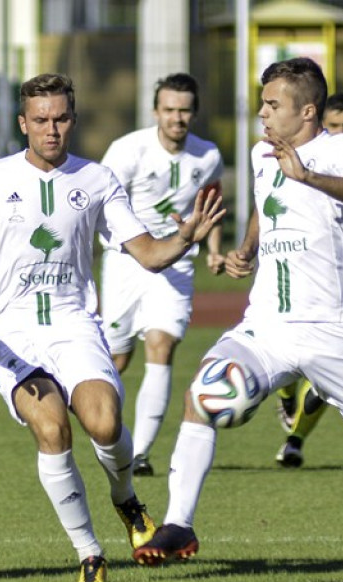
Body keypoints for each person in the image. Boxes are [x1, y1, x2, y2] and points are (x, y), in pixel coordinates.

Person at [132, 57, 343, 582]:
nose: (261, 112)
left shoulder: (335, 147)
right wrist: (246, 249)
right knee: (203, 394)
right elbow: (268, 201)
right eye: (262, 102)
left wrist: (307, 175)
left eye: (272, 104)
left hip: (330, 330)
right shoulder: (265, 154)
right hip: (268, 326)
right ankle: (178, 523)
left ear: (307, 111)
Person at [0, 73, 225, 582]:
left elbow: (149, 254)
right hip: (12, 335)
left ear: (74, 119)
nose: (52, 129)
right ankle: (89, 553)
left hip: (74, 325)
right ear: (23, 123)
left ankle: (127, 501)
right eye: (41, 120)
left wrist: (185, 236)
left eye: (62, 118)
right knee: (52, 429)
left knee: (104, 422)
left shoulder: (97, 180)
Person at [98, 72, 225, 477]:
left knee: (162, 345)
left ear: (194, 113)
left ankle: (140, 455)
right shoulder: (127, 150)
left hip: (178, 262)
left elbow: (212, 203)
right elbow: (101, 202)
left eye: (185, 110)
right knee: (116, 359)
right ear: (156, 111)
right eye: (169, 109)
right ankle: (100, 431)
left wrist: (215, 250)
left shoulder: (207, 156)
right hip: (126, 261)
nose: (177, 118)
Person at [273, 92, 343, 468]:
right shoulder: (300, 155)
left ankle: (295, 439)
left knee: (331, 354)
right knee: (289, 343)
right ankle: (288, 394)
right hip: (301, 265)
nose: (341, 132)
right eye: (334, 125)